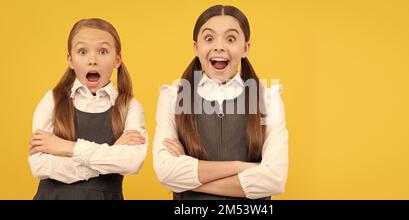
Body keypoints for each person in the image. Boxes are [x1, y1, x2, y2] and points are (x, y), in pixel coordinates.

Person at [153, 5, 288, 200]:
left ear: (245, 48)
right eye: (209, 38)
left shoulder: (268, 99)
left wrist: (189, 177)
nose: (219, 46)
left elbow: (274, 179)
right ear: (196, 47)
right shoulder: (172, 97)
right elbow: (166, 172)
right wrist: (241, 168)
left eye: (230, 39)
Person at [28, 18, 148, 200]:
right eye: (82, 51)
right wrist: (111, 154)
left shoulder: (129, 106)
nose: (92, 60)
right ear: (70, 59)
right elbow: (39, 165)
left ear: (117, 60)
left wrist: (67, 147)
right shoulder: (52, 100)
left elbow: (132, 162)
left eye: (102, 51)